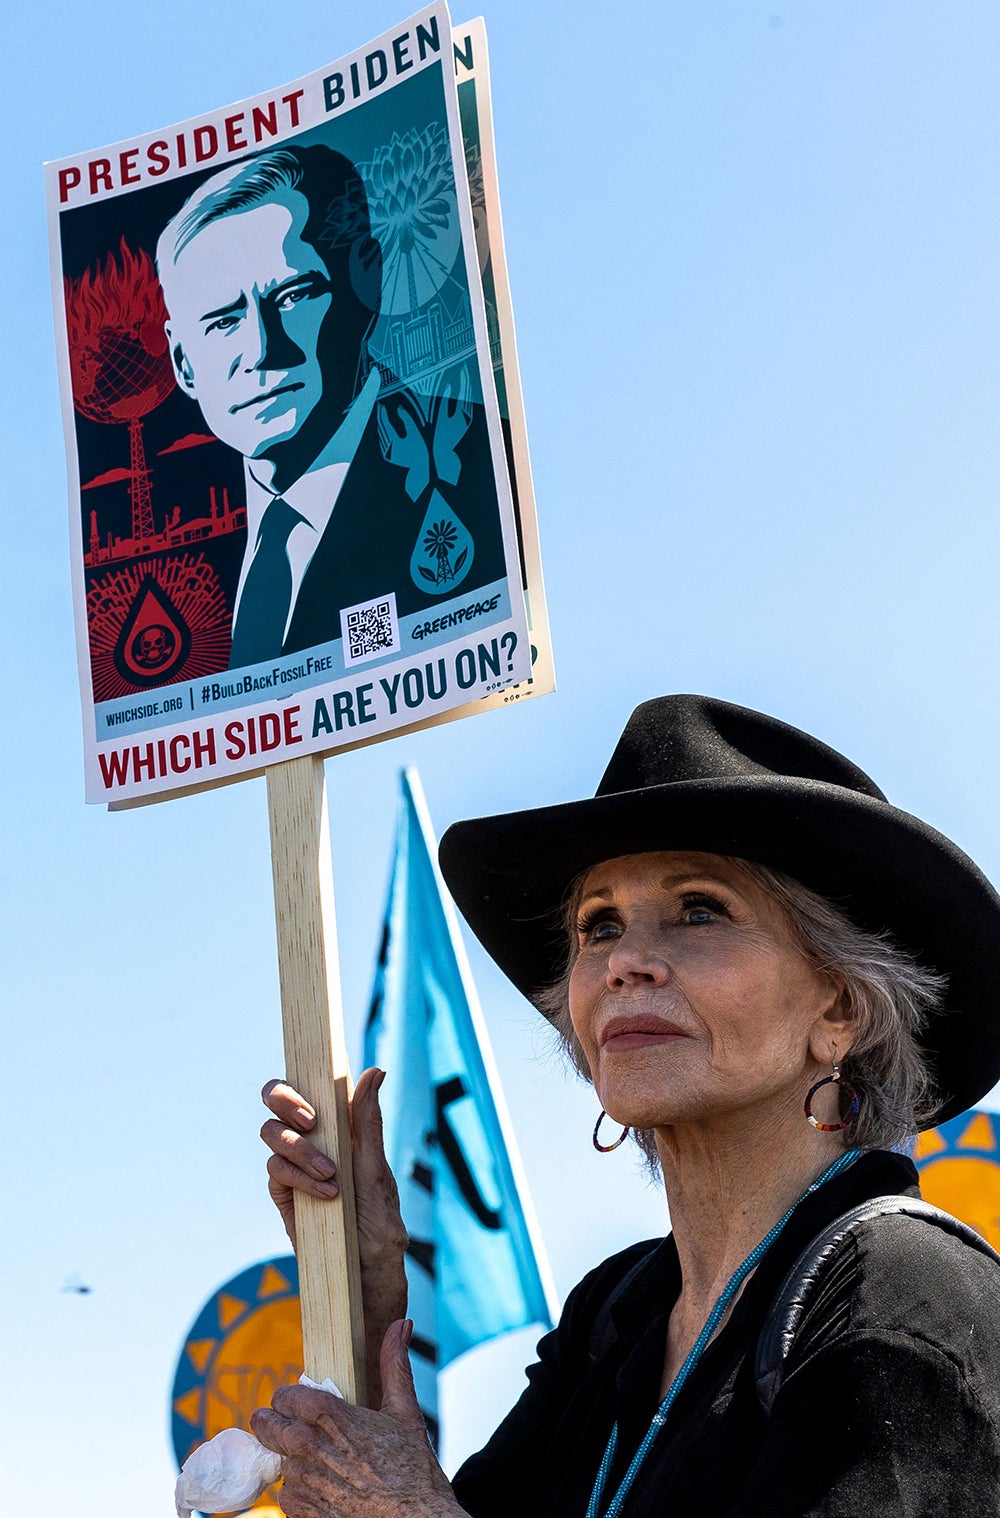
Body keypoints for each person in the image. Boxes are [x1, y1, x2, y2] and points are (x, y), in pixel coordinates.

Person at [252, 694, 1000, 1516]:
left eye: (700, 909)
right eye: (598, 925)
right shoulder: (618, 1311)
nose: (626, 962)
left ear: (840, 1012)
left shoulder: (906, 1299)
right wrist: (363, 1303)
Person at [155, 144, 504, 667]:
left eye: (294, 296)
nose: (263, 352)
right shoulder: (175, 564)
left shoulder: (486, 471)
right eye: (223, 321)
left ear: (369, 279)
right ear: (184, 363)